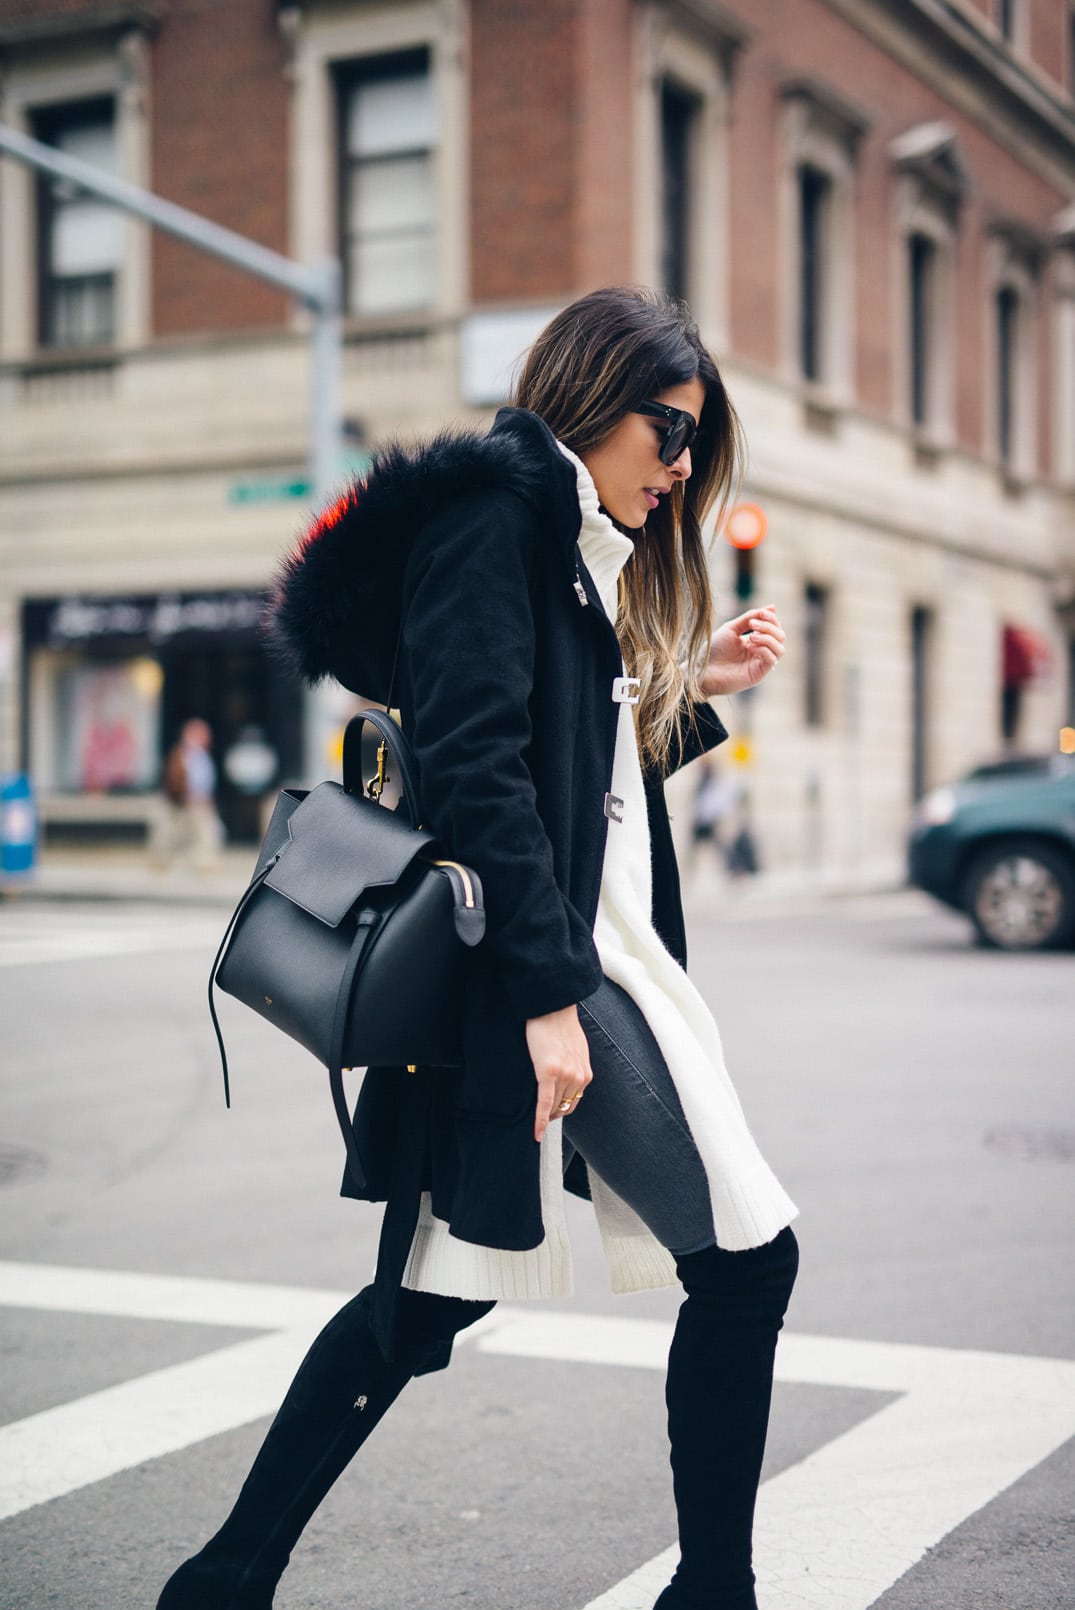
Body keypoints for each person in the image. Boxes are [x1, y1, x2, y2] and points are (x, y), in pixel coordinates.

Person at [157, 287, 799, 1610]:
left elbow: (574, 768)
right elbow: (478, 771)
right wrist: (549, 998)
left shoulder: (560, 538)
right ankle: (714, 1590)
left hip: (574, 950)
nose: (679, 468)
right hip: (562, 961)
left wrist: (685, 691)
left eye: (693, 444)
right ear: (589, 394)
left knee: (435, 1295)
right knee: (743, 1261)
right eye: (666, 431)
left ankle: (224, 1575)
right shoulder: (493, 518)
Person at [154, 717, 223, 868]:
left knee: (205, 834)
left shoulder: (202, 757)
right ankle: (163, 861)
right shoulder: (181, 755)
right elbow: (174, 779)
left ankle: (204, 862)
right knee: (172, 834)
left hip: (198, 802)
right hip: (183, 802)